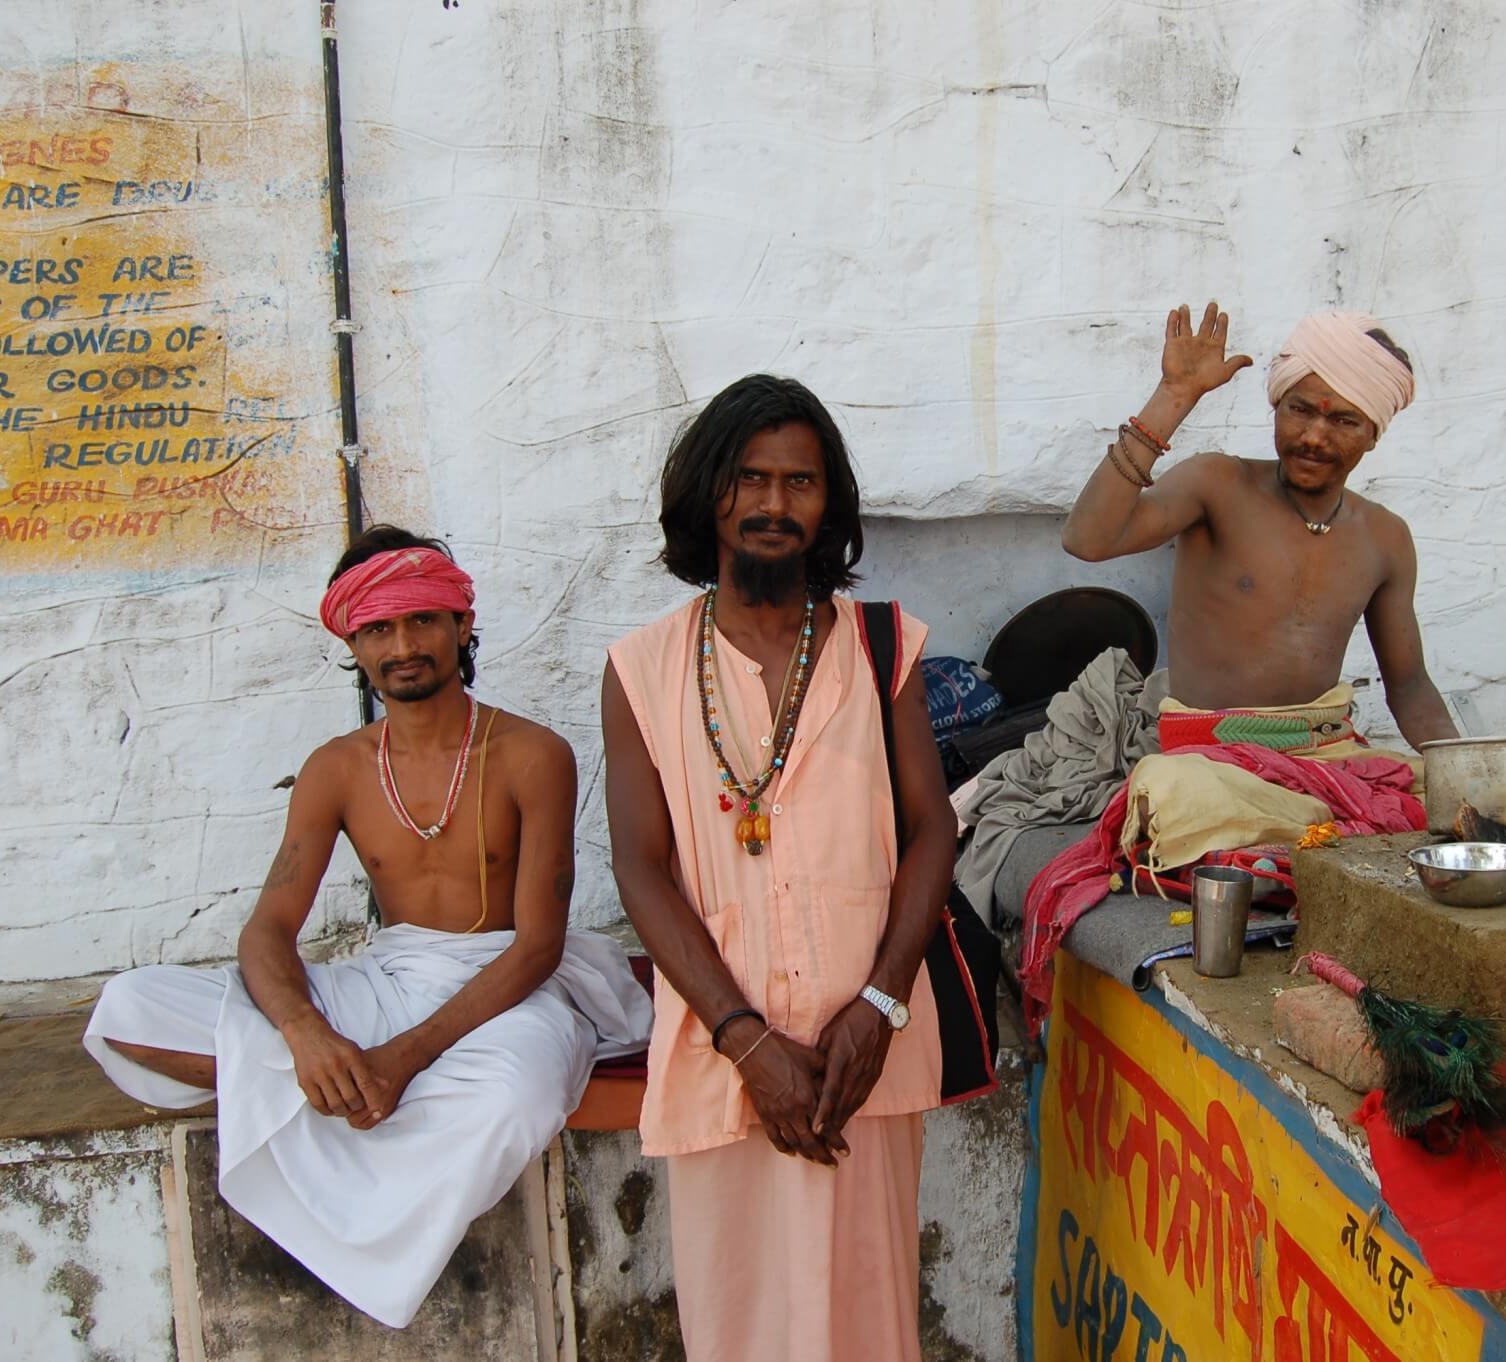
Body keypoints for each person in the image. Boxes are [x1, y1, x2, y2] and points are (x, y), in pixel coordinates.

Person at [83, 526, 652, 1329]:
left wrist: (400, 1059)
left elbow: (536, 946)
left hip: (506, 992)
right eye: (378, 628)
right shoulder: (337, 768)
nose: (403, 644)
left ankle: (326, 1104)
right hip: (385, 981)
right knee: (129, 1008)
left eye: (422, 619)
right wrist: (307, 1035)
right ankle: (339, 1087)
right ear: (351, 642)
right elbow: (268, 929)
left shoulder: (532, 754)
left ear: (461, 624)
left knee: (519, 1096)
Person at [600, 374, 955, 1362]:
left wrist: (880, 1006)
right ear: (708, 493)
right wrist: (745, 1041)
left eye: (798, 483)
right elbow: (640, 869)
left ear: (826, 504)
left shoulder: (883, 646)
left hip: (861, 1055)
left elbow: (932, 831)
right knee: (742, 1324)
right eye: (748, 479)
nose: (770, 504)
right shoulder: (640, 669)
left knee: (868, 1317)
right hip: (723, 1061)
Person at [1062, 302, 1460, 747]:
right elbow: (1087, 540)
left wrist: (1463, 769)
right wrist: (1174, 396)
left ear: (1372, 433)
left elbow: (1409, 688)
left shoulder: (1386, 537)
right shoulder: (1217, 484)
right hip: (1207, 756)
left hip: (1325, 753)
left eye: (1343, 420)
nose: (1313, 436)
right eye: (1300, 410)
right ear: (1278, 405)